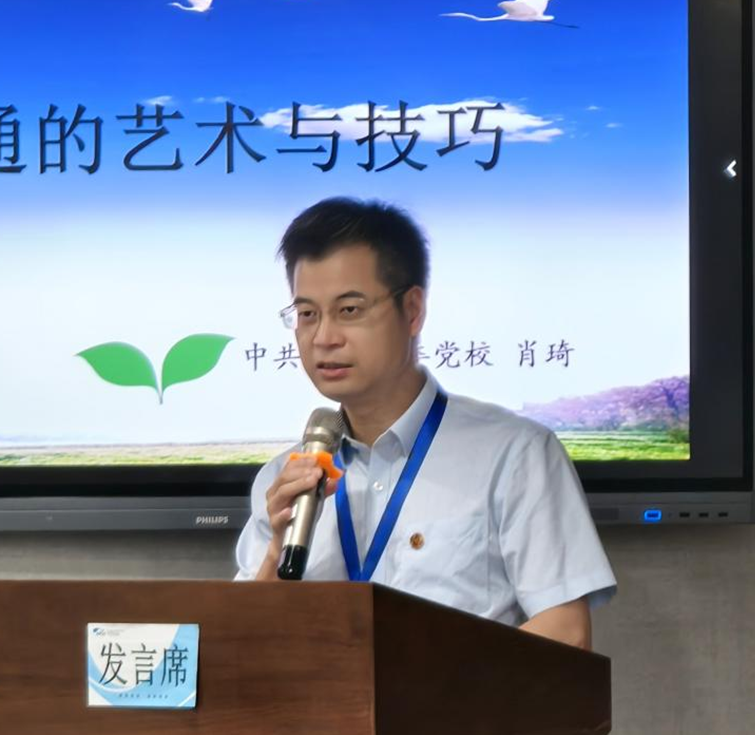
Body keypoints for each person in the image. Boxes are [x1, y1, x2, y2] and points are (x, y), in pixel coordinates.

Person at [234, 197, 616, 649]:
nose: (323, 338)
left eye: (349, 310)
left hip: (465, 699)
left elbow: (565, 632)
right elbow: (244, 646)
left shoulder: (514, 454)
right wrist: (277, 551)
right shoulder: (282, 482)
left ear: (412, 310)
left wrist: (427, 682)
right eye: (306, 315)